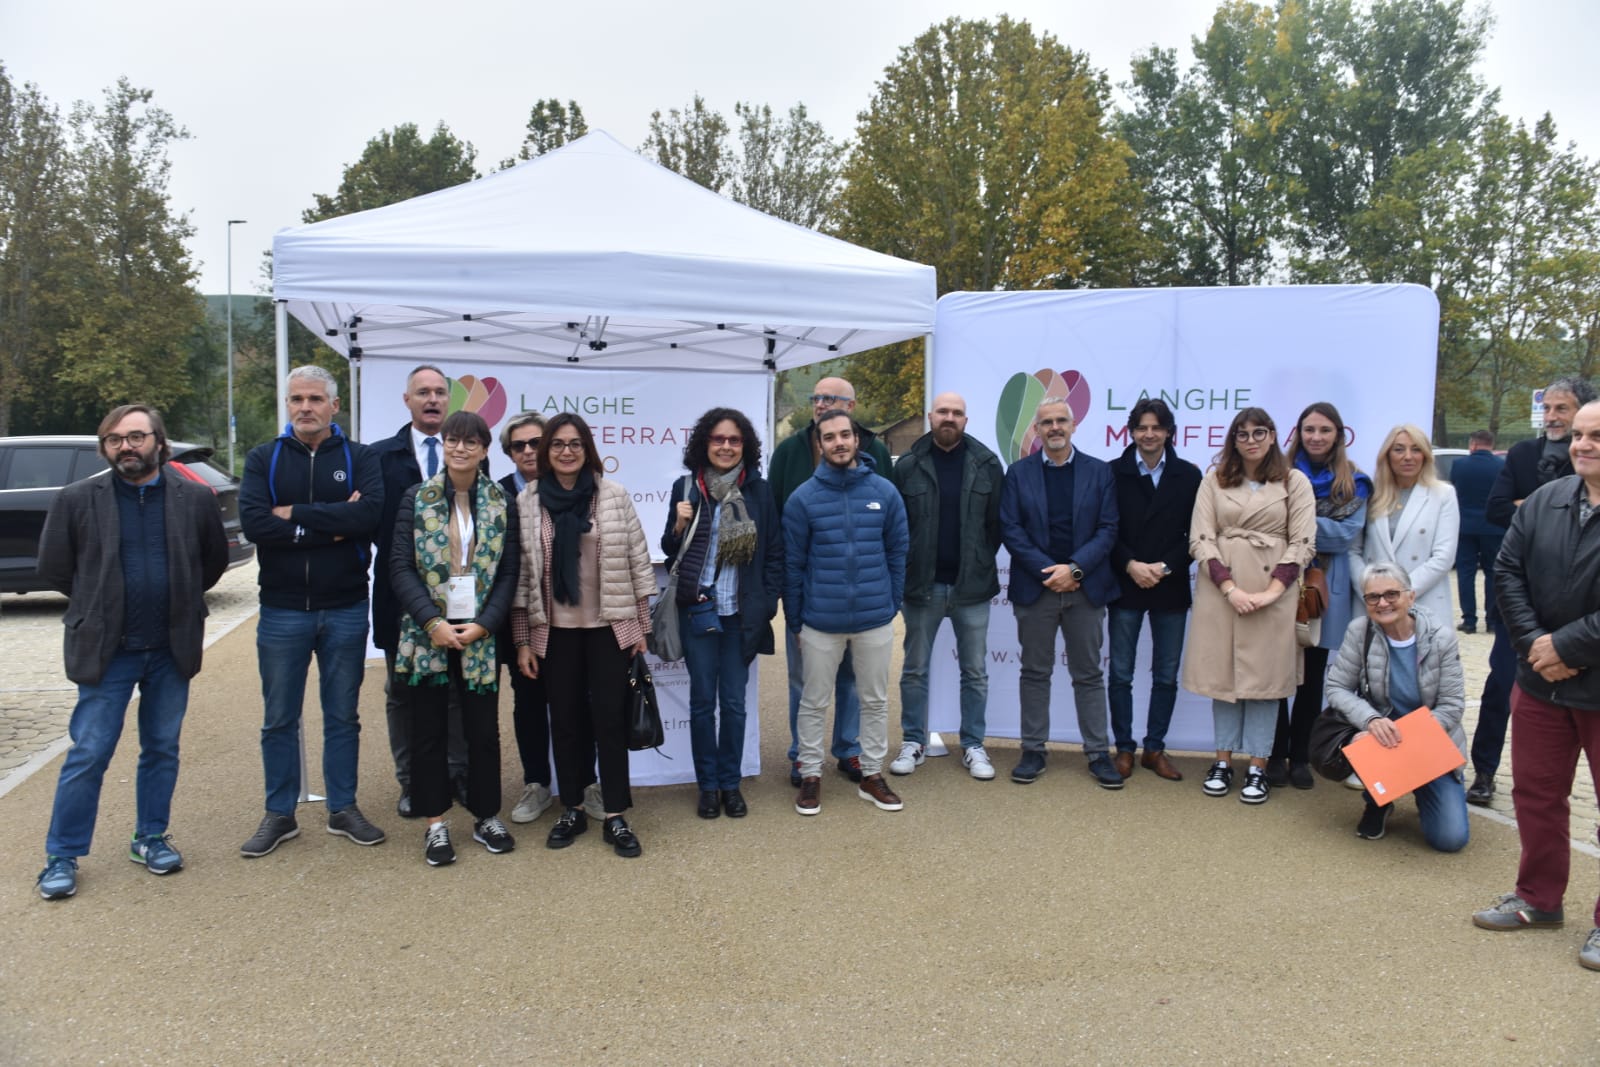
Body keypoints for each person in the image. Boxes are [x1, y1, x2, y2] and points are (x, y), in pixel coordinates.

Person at [33, 405, 229, 901]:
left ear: (159, 443)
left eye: (136, 437)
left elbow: (211, 563)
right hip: (107, 651)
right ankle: (62, 854)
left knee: (161, 749)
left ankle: (150, 837)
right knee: (89, 752)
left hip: (169, 648)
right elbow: (56, 568)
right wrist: (100, 604)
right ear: (105, 448)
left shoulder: (195, 499)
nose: (126, 446)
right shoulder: (77, 499)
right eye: (115, 439)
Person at [1471, 399, 1600, 973]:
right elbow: (1507, 572)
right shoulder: (1547, 500)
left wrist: (1566, 647)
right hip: (1539, 681)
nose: (1583, 445)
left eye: (1596, 435)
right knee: (1535, 794)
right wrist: (1535, 644)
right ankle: (1539, 899)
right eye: (1577, 435)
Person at [238, 365, 387, 858]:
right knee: (279, 718)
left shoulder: (360, 457)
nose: (305, 407)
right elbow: (257, 524)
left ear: (334, 405)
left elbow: (368, 517)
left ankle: (343, 807)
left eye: (315, 399)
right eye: (297, 399)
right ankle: (279, 814)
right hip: (282, 610)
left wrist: (296, 515)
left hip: (344, 606)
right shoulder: (264, 458)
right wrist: (332, 523)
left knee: (342, 715)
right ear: (288, 404)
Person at [511, 413, 655, 858]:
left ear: (587, 448)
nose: (567, 451)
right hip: (554, 632)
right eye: (557, 444)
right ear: (545, 451)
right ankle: (572, 806)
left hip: (609, 628)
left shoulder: (613, 496)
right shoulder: (528, 501)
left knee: (609, 722)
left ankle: (614, 814)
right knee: (567, 724)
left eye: (575, 444)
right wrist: (521, 640)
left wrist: (641, 628)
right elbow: (520, 577)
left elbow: (638, 561)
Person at [389, 411, 520, 866]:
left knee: (482, 732)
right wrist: (431, 622)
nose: (460, 448)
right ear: (442, 446)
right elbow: (400, 567)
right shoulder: (415, 498)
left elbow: (509, 571)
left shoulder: (503, 502)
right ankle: (435, 825)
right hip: (428, 635)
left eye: (470, 441)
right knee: (428, 732)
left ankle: (486, 815)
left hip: (480, 634)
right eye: (452, 440)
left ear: (484, 450)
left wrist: (487, 622)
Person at [1182, 407, 1316, 805]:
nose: (1251, 440)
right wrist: (1230, 589)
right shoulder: (1213, 480)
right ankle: (1221, 761)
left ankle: (1258, 766)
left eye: (1260, 432)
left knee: (1265, 683)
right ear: (1233, 440)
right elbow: (1200, 539)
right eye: (1242, 434)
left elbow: (1303, 542)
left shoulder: (1295, 482)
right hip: (1221, 592)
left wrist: (1273, 592)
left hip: (1274, 593)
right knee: (1222, 680)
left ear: (1273, 436)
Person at [1474, 377, 1597, 805]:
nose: (1552, 418)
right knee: (1500, 687)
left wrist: (1565, 646)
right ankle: (1484, 772)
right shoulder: (1526, 454)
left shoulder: (1581, 463)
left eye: (1561, 409)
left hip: (1585, 640)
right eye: (1547, 409)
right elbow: (1497, 511)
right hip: (1522, 618)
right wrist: (1535, 642)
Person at [768, 377, 892, 787]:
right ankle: (802, 760)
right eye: (817, 397)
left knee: (856, 683)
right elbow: (783, 534)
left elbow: (895, 539)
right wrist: (795, 608)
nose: (821, 404)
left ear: (852, 409)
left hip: (865, 604)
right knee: (805, 684)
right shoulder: (788, 453)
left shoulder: (875, 457)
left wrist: (888, 601)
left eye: (831, 399)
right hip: (813, 601)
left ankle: (849, 750)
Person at [784, 409, 908, 815]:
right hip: (821, 622)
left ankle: (872, 775)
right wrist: (797, 621)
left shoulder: (885, 493)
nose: (839, 442)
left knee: (874, 700)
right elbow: (793, 565)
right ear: (819, 444)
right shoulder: (802, 498)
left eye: (845, 435)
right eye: (830, 437)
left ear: (857, 440)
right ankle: (810, 776)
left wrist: (890, 603)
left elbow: (897, 551)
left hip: (874, 619)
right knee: (814, 701)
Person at [661, 408, 783, 818]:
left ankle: (731, 783)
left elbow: (775, 554)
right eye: (718, 439)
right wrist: (677, 527)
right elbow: (668, 550)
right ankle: (708, 785)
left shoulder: (760, 492)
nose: (726, 446)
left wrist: (766, 604)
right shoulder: (686, 487)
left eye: (734, 440)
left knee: (733, 704)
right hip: (698, 613)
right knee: (700, 703)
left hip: (739, 616)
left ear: (745, 446)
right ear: (704, 444)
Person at [999, 398, 1122, 788]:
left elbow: (1108, 528)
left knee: (1088, 674)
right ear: (1036, 430)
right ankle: (1033, 749)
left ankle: (1098, 753)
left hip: (1085, 589)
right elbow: (1011, 528)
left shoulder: (1099, 472)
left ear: (1074, 425)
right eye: (1046, 422)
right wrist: (1048, 572)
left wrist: (1075, 570)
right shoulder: (1018, 474)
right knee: (1035, 672)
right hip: (1037, 589)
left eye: (1061, 421)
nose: (1054, 427)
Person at [371, 364, 469, 818]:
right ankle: (412, 781)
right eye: (422, 392)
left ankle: (455, 775)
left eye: (438, 393)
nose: (432, 400)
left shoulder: (471, 455)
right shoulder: (379, 457)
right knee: (403, 691)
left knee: (454, 690)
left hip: (460, 597)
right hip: (399, 594)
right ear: (407, 400)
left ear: (449, 401)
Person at [889, 392, 1003, 781]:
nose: (949, 418)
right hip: (922, 588)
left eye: (956, 413)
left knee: (975, 671)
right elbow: (896, 527)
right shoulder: (907, 466)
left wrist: (980, 560)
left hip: (972, 589)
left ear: (966, 420)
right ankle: (913, 741)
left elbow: (996, 526)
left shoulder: (987, 464)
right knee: (915, 669)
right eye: (943, 412)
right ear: (930, 417)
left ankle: (973, 744)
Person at [1324, 563, 1470, 850]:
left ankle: (1420, 785)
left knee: (1450, 839)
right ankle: (1377, 801)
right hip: (1381, 737)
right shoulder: (1359, 631)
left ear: (1411, 597)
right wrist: (1370, 720)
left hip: (1429, 742)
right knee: (1362, 736)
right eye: (1373, 597)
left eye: (1392, 594)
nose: (1383, 603)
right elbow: (1337, 687)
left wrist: (1409, 737)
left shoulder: (1441, 638)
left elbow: (1452, 706)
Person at [1267, 402, 1372, 790]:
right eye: (1309, 429)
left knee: (1312, 678)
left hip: (1322, 589)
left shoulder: (1355, 482)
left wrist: (1292, 519)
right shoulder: (1274, 473)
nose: (1316, 437)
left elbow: (1345, 536)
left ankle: (1300, 757)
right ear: (1298, 432)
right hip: (1275, 583)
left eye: (1325, 430)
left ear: (1338, 436)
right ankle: (1274, 754)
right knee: (1277, 674)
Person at [1106, 398, 1201, 782]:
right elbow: (1105, 529)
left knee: (1165, 674)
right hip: (1126, 583)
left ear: (1168, 432)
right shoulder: (1111, 473)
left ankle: (1155, 748)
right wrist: (1130, 564)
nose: (1149, 434)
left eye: (1156, 427)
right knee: (1121, 674)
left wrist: (1162, 567)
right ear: (1131, 431)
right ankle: (1125, 749)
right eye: (1142, 427)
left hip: (1169, 584)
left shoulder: (1188, 475)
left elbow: (1197, 534)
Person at [496, 411, 556, 824]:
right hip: (519, 622)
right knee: (529, 704)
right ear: (509, 452)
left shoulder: (574, 487)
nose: (529, 451)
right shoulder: (496, 495)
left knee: (576, 705)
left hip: (571, 622)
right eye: (520, 445)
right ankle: (537, 782)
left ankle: (582, 783)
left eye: (537, 442)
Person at [1353, 424, 1459, 635]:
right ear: (1387, 455)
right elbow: (1353, 550)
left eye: (1416, 449)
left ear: (1426, 455)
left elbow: (1443, 557)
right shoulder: (1370, 494)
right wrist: (1371, 591)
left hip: (1422, 601)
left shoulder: (1443, 495)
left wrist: (1400, 594)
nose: (1408, 456)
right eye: (1399, 449)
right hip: (1374, 606)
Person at [1451, 429, 1506, 634]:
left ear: (1472, 444)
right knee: (1493, 573)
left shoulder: (1459, 465)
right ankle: (1492, 620)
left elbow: (1456, 490)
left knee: (1466, 573)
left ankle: (1469, 620)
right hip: (1494, 527)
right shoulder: (1502, 466)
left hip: (1465, 527)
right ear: (1491, 444)